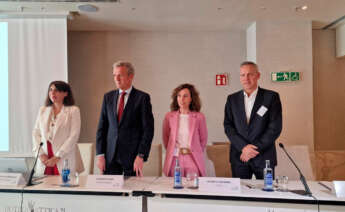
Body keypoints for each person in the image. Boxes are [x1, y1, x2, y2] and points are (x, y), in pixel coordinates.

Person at [223, 61, 282, 179]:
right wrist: (244, 148)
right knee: (241, 194)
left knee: (267, 194)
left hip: (264, 156)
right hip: (240, 156)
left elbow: (274, 128)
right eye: (243, 75)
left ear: (258, 75)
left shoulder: (271, 97)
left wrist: (253, 149)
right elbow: (228, 126)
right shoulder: (232, 99)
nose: (246, 78)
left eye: (250, 74)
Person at [96, 61, 154, 176]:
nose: (116, 79)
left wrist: (141, 155)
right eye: (114, 75)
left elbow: (148, 130)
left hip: (132, 158)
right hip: (110, 157)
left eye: (120, 75)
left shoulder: (142, 98)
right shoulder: (108, 97)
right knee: (110, 193)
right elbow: (102, 128)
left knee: (132, 192)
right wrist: (100, 155)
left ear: (130, 76)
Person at [32, 81, 84, 176]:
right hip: (45, 159)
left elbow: (74, 136)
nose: (52, 93)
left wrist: (57, 157)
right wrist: (41, 154)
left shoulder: (73, 110)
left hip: (63, 158)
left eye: (56, 90)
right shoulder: (42, 110)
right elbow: (36, 133)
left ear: (65, 93)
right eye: (50, 90)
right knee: (43, 187)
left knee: (63, 187)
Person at [163, 83, 208, 177]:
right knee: (174, 188)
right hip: (174, 158)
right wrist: (173, 151)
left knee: (193, 188)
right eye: (179, 96)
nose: (181, 99)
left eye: (185, 96)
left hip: (193, 158)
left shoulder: (199, 117)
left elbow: (203, 140)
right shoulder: (169, 117)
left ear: (191, 99)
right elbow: (166, 138)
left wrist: (196, 151)